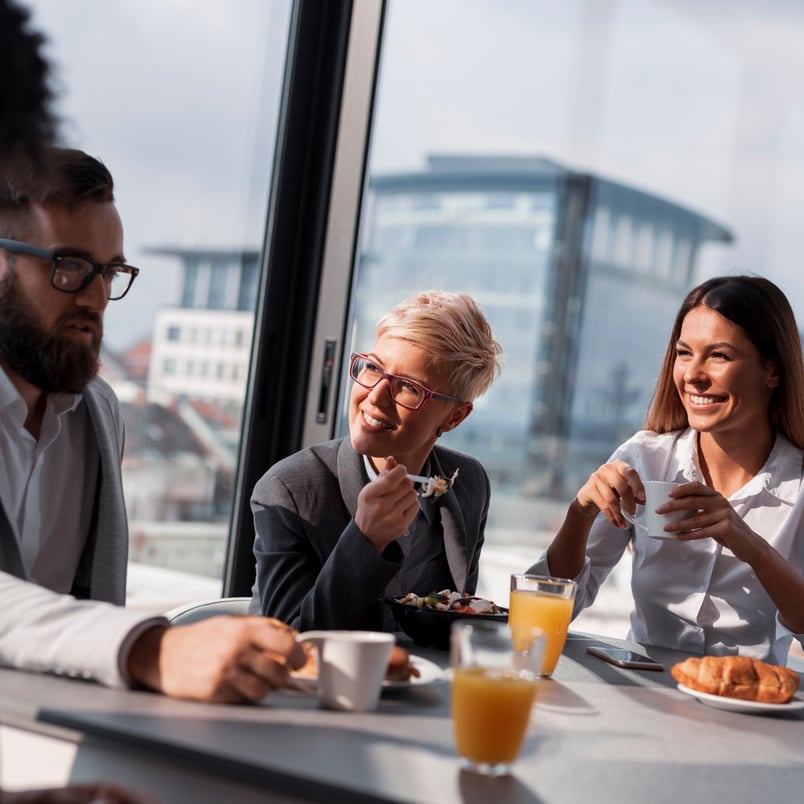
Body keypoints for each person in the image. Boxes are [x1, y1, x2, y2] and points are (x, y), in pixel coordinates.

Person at [0, 145, 304, 703]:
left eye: (110, 271)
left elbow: (86, 601)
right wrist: (147, 649)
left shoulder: (99, 410)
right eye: (69, 266)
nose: (97, 297)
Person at [527, 275, 804, 664]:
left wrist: (752, 547)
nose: (693, 374)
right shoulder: (645, 459)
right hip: (644, 698)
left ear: (772, 372)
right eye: (685, 353)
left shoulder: (799, 488)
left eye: (719, 355)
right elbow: (544, 612)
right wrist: (580, 512)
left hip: (750, 707)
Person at [249, 290, 503, 631]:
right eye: (372, 368)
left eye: (409, 388)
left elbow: (456, 618)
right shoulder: (290, 490)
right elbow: (288, 644)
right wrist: (365, 539)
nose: (375, 396)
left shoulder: (469, 483)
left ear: (455, 418)